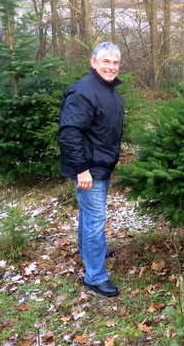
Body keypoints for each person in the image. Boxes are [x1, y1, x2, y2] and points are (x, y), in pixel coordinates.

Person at [58, 42, 124, 297]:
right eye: (106, 61)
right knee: (96, 219)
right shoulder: (83, 92)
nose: (111, 67)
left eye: (115, 62)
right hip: (89, 169)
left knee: (89, 214)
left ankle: (90, 251)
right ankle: (95, 276)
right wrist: (82, 170)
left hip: (101, 165)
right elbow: (69, 134)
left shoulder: (109, 90)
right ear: (93, 62)